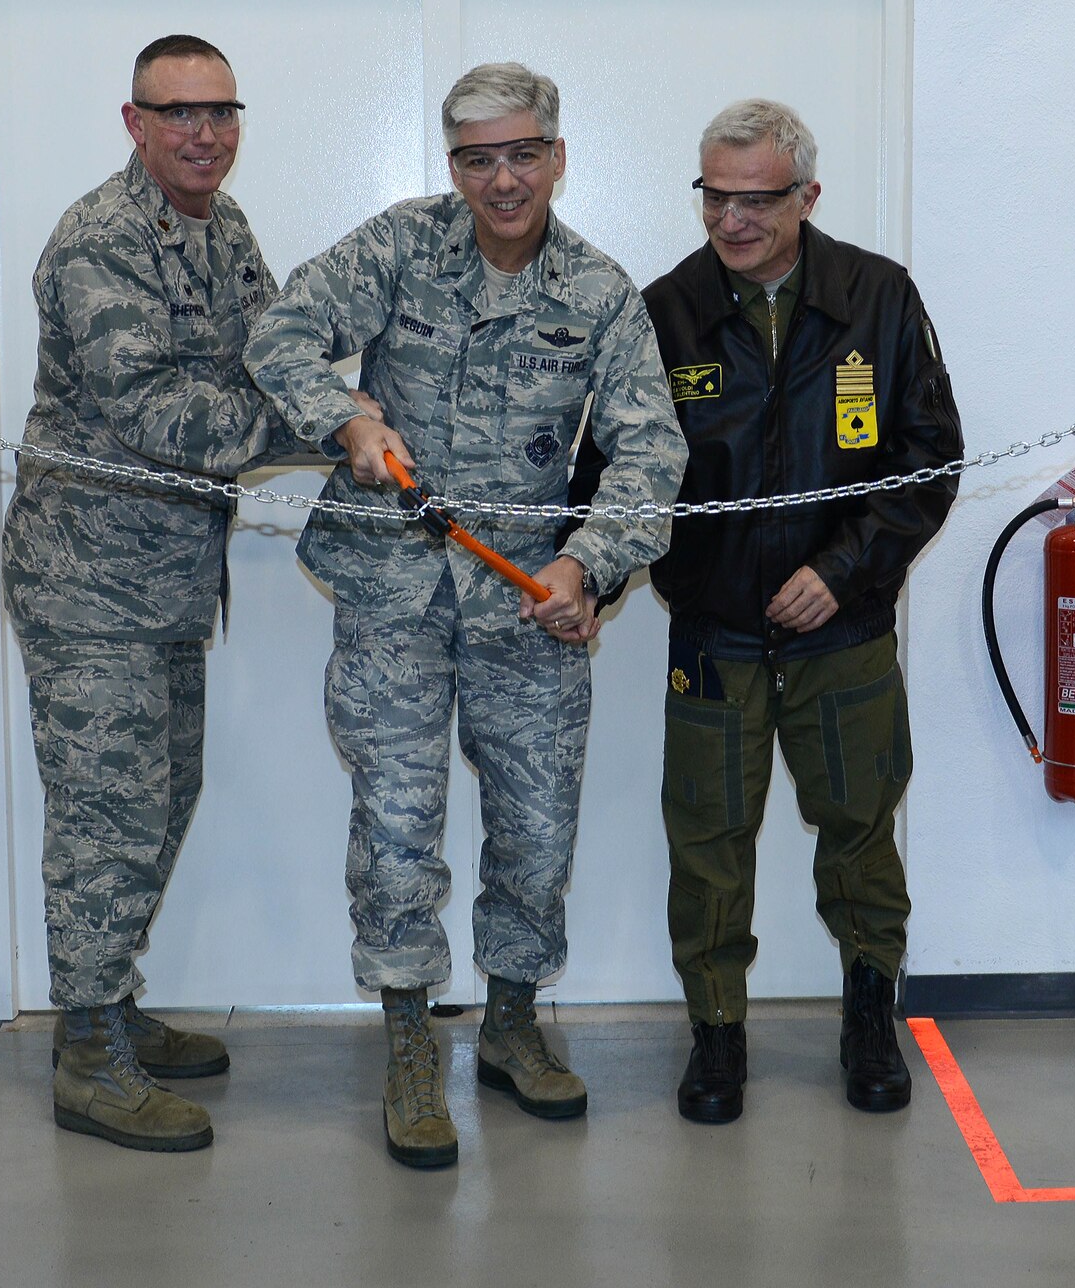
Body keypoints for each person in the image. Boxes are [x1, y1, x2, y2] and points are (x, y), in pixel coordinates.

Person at [245, 62, 687, 1169]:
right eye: (476, 158)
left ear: (557, 156)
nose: (501, 179)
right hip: (391, 594)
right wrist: (344, 415)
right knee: (395, 831)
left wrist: (589, 564)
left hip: (526, 602)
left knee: (536, 833)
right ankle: (407, 1041)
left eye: (521, 154)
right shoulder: (399, 246)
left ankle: (507, 1022)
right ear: (452, 165)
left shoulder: (595, 289)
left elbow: (651, 446)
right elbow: (279, 333)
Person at [575, 98, 960, 1123]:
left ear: (806, 195)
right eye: (715, 196)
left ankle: (868, 1016)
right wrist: (588, 581)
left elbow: (928, 457)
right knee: (706, 845)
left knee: (858, 832)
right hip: (713, 635)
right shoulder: (662, 312)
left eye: (757, 198)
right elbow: (612, 475)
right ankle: (715, 1032)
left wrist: (841, 568)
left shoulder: (875, 297)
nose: (732, 219)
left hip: (841, 634)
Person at [1, 34, 314, 1153]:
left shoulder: (222, 229)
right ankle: (86, 1052)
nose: (203, 133)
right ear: (132, 122)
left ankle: (110, 1004)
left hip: (172, 580)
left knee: (160, 797)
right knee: (105, 818)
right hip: (88, 584)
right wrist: (334, 426)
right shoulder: (102, 239)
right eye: (178, 113)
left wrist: (331, 387)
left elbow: (272, 352)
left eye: (222, 112)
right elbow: (169, 419)